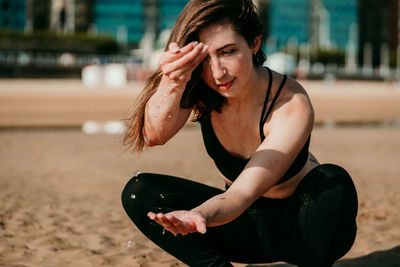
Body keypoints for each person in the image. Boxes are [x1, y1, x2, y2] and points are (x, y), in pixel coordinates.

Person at [121, 0, 358, 266]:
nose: (217, 72)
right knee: (139, 191)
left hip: (300, 230)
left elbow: (240, 195)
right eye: (204, 58)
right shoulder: (203, 88)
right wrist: (172, 80)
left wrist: (199, 215)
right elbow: (154, 135)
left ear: (255, 44)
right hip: (243, 228)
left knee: (333, 181)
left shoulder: (290, 104)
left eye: (227, 52)